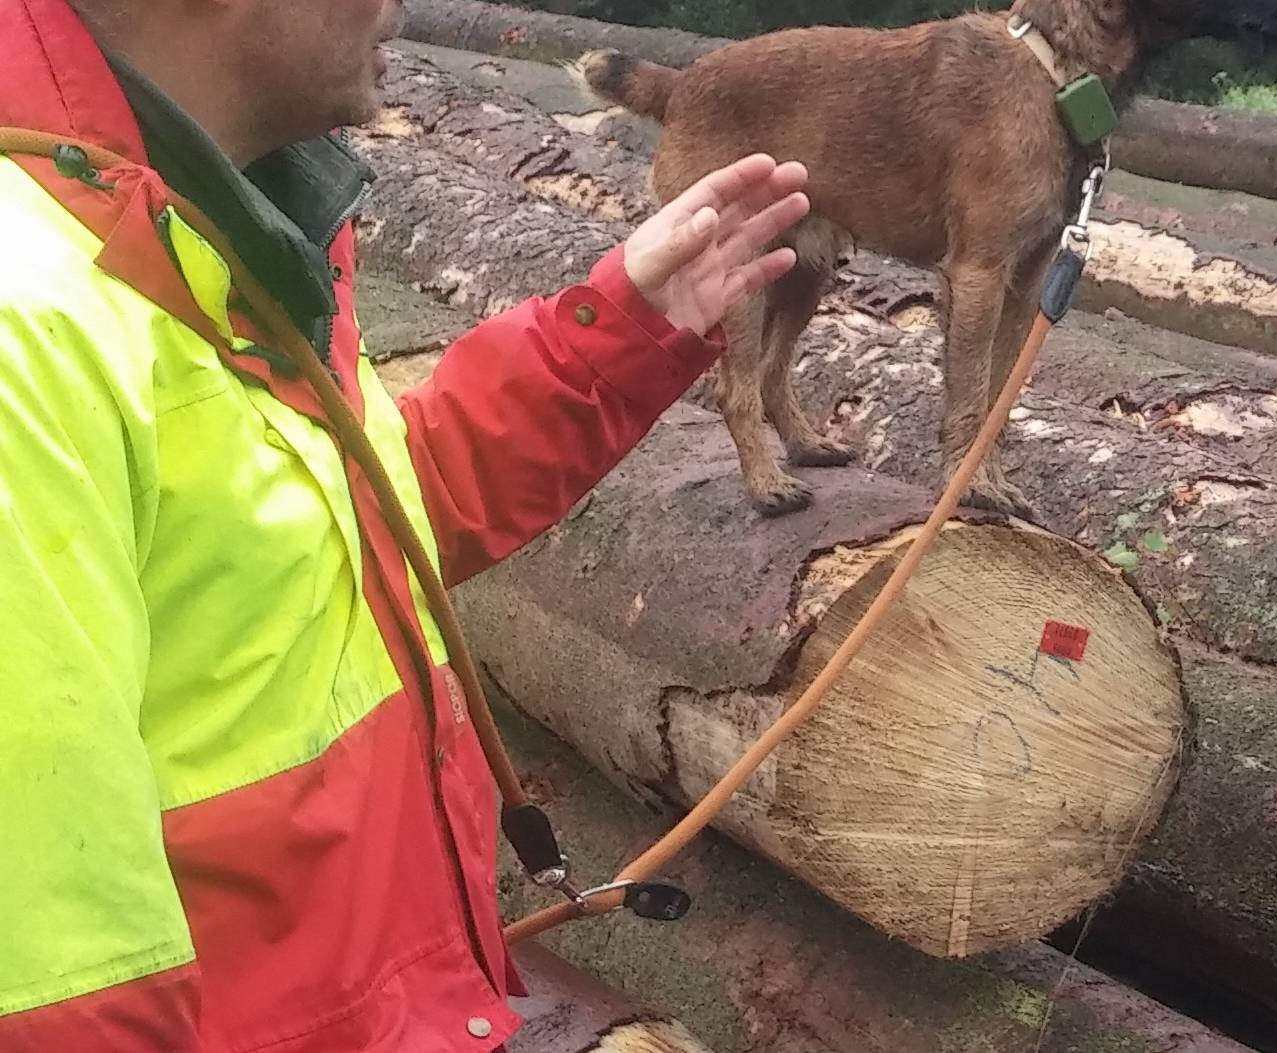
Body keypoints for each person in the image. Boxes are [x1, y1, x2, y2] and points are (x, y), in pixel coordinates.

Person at [0, 0, 810, 1047]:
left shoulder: (215, 214)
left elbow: (338, 533)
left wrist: (612, 340)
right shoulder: (29, 327)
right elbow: (59, 999)